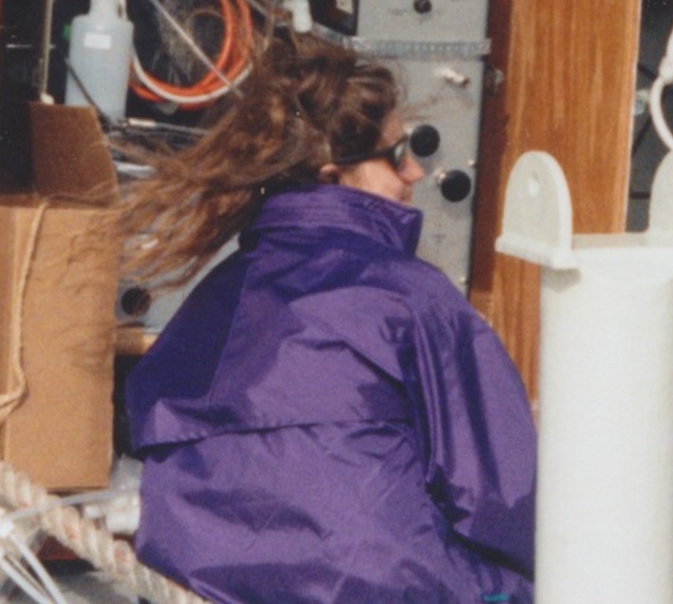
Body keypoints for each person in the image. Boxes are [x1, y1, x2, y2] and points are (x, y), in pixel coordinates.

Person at [121, 29, 535, 604]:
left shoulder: (209, 302)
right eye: (395, 155)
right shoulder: (411, 297)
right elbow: (502, 499)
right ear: (332, 176)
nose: (415, 171)